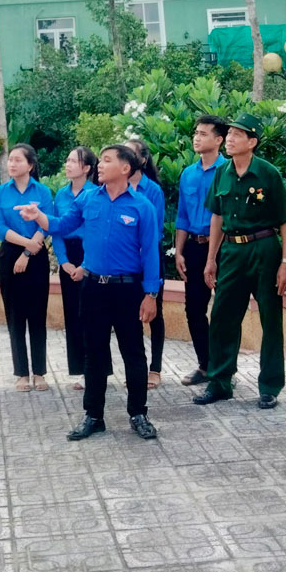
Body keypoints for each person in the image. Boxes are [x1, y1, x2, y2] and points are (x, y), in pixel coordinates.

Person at [17, 145, 161, 441]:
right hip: (94, 288)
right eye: (101, 160)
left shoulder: (142, 206)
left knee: (133, 353)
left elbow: (150, 253)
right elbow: (61, 225)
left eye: (107, 160)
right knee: (94, 353)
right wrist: (39, 216)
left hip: (128, 289)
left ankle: (138, 413)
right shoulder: (88, 198)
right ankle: (94, 416)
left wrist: (151, 294)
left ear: (125, 168)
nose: (100, 165)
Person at [194, 113, 286, 409]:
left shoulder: (267, 173)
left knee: (270, 319)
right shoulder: (222, 173)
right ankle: (220, 382)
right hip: (232, 251)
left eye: (238, 135)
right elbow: (217, 216)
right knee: (222, 316)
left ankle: (270, 386)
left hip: (263, 248)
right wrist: (211, 259)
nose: (230, 139)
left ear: (252, 142)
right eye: (229, 134)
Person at [0, 144, 54, 392]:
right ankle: (21, 373)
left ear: (30, 165)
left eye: (17, 160)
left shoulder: (43, 191)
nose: (12, 164)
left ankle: (39, 372)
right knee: (15, 316)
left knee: (37, 315)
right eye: (10, 160)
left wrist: (28, 252)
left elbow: (46, 224)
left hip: (36, 255)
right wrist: (25, 245)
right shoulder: (0, 193)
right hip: (10, 255)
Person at [174, 115, 229, 386]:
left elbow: (226, 216)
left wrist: (213, 257)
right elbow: (182, 215)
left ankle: (225, 369)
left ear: (219, 140)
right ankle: (206, 365)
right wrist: (179, 251)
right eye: (196, 133)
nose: (197, 138)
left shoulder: (228, 171)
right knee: (194, 309)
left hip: (223, 249)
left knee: (225, 311)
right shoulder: (188, 173)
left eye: (203, 134)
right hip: (194, 248)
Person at [54, 146, 98, 391]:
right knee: (72, 313)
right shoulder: (61, 195)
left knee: (92, 314)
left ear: (87, 168)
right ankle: (79, 369)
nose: (68, 164)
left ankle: (97, 369)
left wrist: (84, 264)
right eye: (67, 160)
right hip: (68, 257)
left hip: (89, 256)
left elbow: (95, 232)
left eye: (74, 161)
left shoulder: (95, 193)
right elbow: (56, 229)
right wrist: (63, 261)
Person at [126, 139, 167, 389]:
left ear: (142, 160)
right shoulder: (115, 188)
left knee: (154, 314)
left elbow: (156, 231)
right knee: (130, 316)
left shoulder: (152, 191)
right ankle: (136, 368)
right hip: (126, 263)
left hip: (149, 258)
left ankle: (155, 368)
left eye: (131, 153)